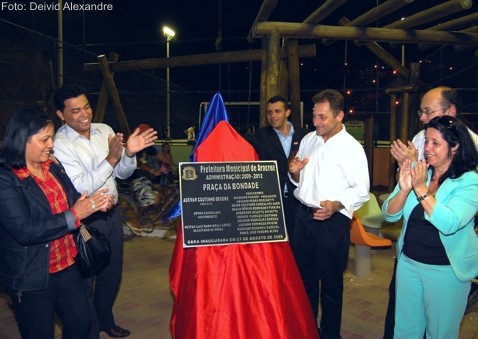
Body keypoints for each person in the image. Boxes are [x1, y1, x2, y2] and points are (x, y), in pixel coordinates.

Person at [53, 84, 157, 338]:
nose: (84, 114)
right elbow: (81, 187)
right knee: (86, 280)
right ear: (61, 114)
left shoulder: (104, 131)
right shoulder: (60, 144)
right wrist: (111, 158)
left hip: (112, 215)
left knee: (112, 274)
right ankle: (89, 331)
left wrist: (129, 153)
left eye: (86, 106)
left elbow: (121, 173)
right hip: (86, 221)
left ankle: (105, 321)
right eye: (75, 110)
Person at [0, 108, 111, 339]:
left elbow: (71, 197)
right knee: (39, 333)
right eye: (44, 139)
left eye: (51, 137)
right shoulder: (6, 178)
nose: (51, 144)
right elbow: (24, 231)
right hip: (31, 273)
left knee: (81, 323)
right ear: (21, 139)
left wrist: (93, 204)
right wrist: (74, 215)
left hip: (65, 262)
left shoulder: (52, 164)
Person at [384, 86, 478, 338]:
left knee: (440, 332)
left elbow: (449, 223)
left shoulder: (469, 182)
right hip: (409, 264)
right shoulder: (419, 171)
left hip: (445, 270)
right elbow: (390, 215)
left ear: (455, 147)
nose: (427, 149)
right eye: (427, 141)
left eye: (436, 143)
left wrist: (420, 188)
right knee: (405, 330)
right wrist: (404, 191)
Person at [288, 89, 370, 338]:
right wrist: (294, 172)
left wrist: (336, 205)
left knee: (331, 284)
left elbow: (362, 190)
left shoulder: (352, 148)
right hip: (303, 218)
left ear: (339, 116)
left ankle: (331, 333)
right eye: (314, 116)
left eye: (322, 117)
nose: (316, 123)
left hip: (331, 224)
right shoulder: (309, 140)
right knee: (305, 280)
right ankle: (308, 329)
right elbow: (300, 182)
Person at [245, 95, 308, 240]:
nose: (273, 116)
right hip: (272, 201)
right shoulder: (261, 135)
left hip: (299, 200)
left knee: (299, 243)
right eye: (269, 112)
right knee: (276, 244)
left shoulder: (305, 136)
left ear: (287, 113)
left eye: (277, 111)